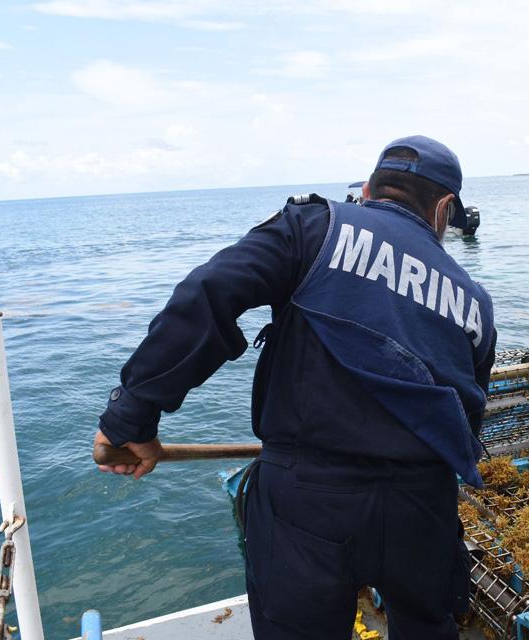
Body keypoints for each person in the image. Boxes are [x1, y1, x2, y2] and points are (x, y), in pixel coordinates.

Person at [93, 135, 496, 640]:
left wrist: (130, 418)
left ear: (368, 190)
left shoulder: (315, 226)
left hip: (308, 503)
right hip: (423, 506)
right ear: (444, 209)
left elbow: (210, 294)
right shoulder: (475, 301)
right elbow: (467, 419)